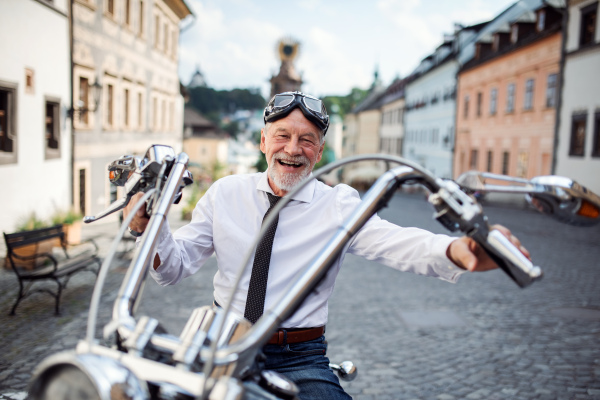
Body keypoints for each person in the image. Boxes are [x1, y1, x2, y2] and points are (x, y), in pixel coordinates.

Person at [124, 91, 530, 400]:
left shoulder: (337, 204)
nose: (293, 148)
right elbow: (171, 267)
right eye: (282, 136)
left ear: (319, 152)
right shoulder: (225, 193)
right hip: (219, 341)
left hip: (299, 356)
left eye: (307, 140)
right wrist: (148, 225)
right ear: (264, 142)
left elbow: (397, 241)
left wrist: (459, 251)